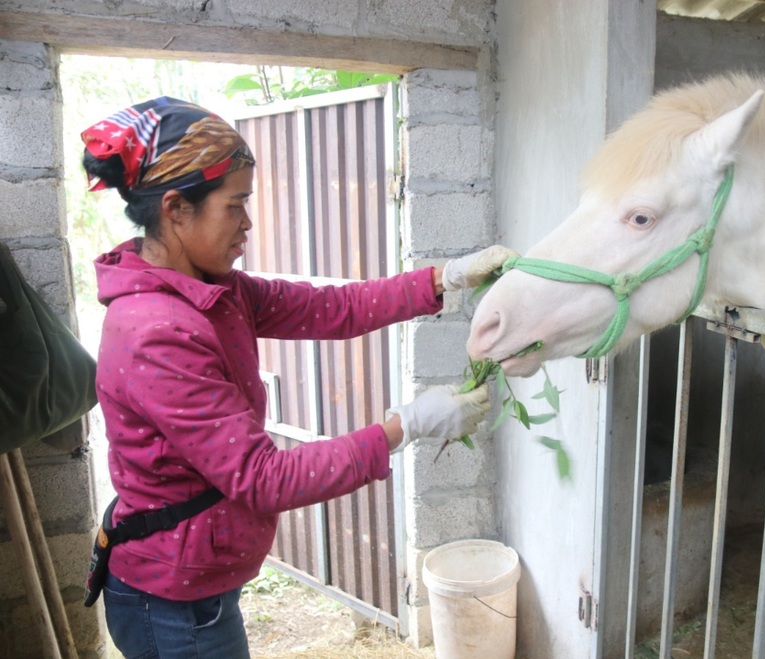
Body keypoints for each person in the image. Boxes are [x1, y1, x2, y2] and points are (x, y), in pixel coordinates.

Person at [81, 96, 514, 658]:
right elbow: (263, 478)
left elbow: (329, 308)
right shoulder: (156, 329)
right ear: (175, 209)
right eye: (234, 205)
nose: (247, 223)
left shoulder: (216, 290)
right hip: (172, 607)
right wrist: (403, 426)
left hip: (198, 586)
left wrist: (441, 279)